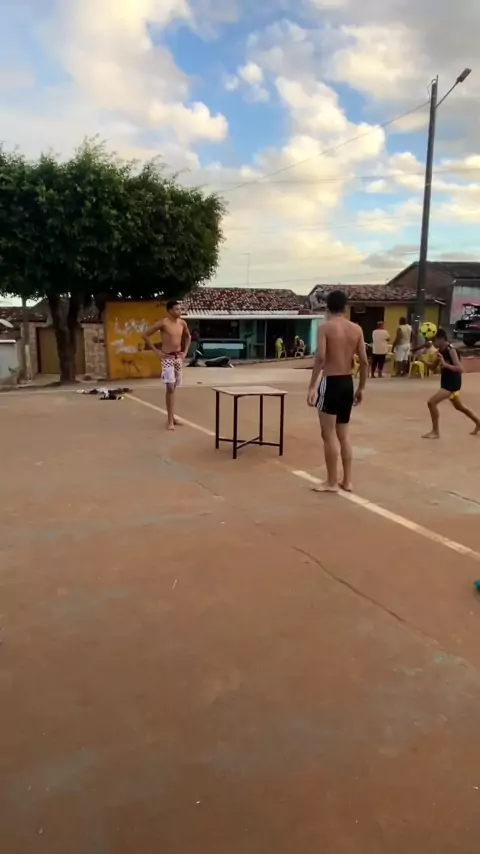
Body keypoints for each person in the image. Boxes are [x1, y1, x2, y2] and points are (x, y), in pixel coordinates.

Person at [307, 290, 368, 492]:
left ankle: (332, 482)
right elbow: (364, 361)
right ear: (345, 307)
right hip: (347, 382)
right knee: (344, 435)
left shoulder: (325, 328)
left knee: (328, 434)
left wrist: (312, 386)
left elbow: (321, 357)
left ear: (327, 307)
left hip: (331, 381)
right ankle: (347, 481)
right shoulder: (356, 329)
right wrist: (361, 387)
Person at [143, 299, 191, 431]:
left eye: (180, 309)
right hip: (167, 358)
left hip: (178, 357)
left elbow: (188, 337)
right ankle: (170, 420)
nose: (179, 311)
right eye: (177, 309)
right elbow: (145, 335)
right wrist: (156, 351)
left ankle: (172, 417)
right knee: (169, 387)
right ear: (170, 310)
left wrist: (185, 352)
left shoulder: (182, 323)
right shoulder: (163, 323)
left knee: (173, 388)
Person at [423, 328, 480, 439]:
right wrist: (423, 360)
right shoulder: (440, 351)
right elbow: (433, 368)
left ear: (441, 339)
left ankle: (435, 432)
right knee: (459, 407)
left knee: (431, 402)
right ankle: (478, 422)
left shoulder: (451, 350)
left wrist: (445, 364)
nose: (433, 343)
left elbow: (460, 369)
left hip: (452, 383)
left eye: (434, 340)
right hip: (446, 381)